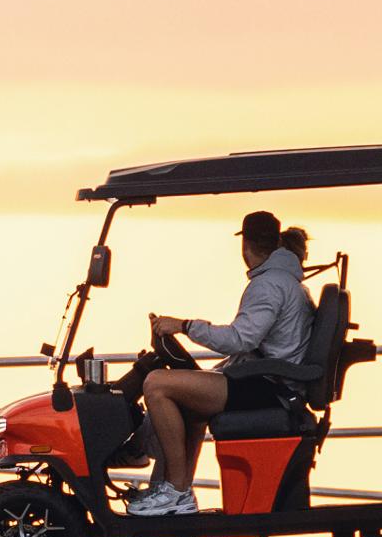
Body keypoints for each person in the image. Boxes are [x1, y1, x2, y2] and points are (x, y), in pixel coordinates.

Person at [130, 209, 313, 515]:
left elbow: (241, 340)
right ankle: (176, 489)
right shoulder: (284, 280)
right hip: (268, 380)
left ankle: (175, 491)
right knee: (188, 400)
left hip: (270, 387)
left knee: (156, 384)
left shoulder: (269, 284)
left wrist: (184, 326)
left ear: (245, 246)